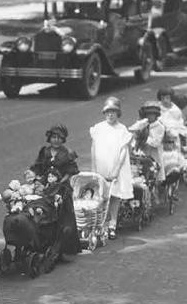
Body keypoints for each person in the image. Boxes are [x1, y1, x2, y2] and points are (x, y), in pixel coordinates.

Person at [30, 124, 82, 259]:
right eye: (54, 137)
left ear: (63, 139)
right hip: (46, 186)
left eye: (59, 138)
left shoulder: (67, 153)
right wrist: (37, 179)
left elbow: (70, 172)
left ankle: (62, 247)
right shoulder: (45, 152)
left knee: (62, 216)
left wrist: (59, 183)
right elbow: (38, 168)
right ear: (49, 138)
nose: (56, 140)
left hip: (61, 188)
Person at [89, 97, 133, 240]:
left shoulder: (122, 129)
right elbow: (94, 148)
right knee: (101, 195)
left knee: (114, 195)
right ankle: (101, 223)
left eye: (113, 112)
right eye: (108, 112)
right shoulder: (98, 128)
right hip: (101, 165)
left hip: (115, 166)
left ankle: (112, 224)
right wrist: (94, 167)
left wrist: (116, 170)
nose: (110, 114)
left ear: (118, 113)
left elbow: (123, 151)